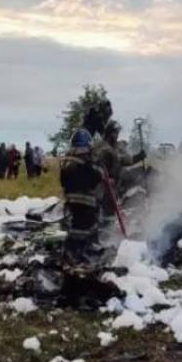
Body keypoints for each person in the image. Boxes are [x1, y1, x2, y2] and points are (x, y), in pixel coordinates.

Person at [61, 103, 111, 265]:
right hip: (87, 201)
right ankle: (81, 251)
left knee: (76, 225)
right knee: (87, 227)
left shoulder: (68, 161)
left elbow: (63, 180)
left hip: (71, 200)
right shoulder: (86, 162)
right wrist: (101, 171)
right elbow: (96, 177)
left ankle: (73, 249)